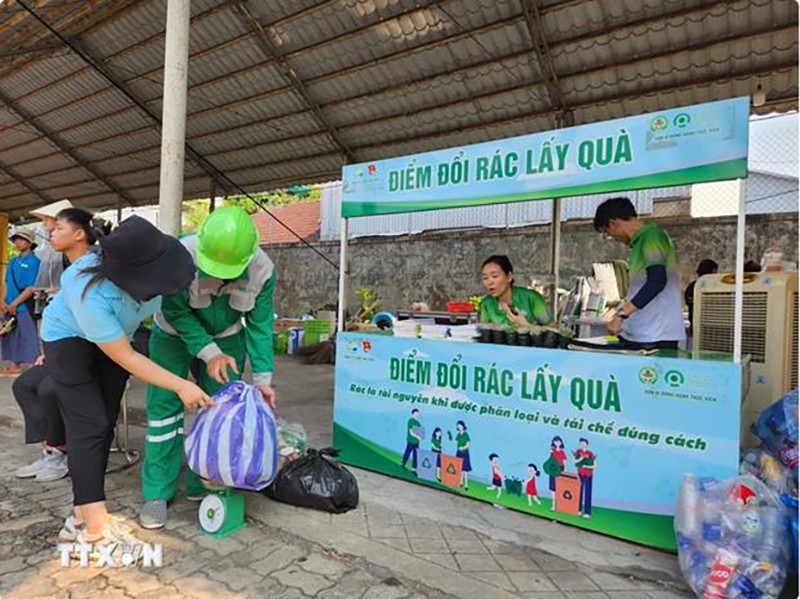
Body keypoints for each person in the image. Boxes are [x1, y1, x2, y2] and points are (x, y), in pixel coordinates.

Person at [41, 214, 208, 551]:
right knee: (88, 425)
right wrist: (181, 385)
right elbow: (126, 357)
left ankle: (80, 516)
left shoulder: (152, 268)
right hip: (68, 340)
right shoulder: (85, 287)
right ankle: (95, 528)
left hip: (116, 337)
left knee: (104, 425)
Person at [139, 206, 277, 529]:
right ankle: (157, 492)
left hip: (228, 339)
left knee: (221, 410)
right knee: (164, 412)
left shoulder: (263, 270)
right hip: (174, 336)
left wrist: (262, 379)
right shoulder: (179, 255)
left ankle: (207, 480)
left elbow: (260, 326)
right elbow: (177, 312)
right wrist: (208, 352)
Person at [12, 208, 104, 482]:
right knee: (24, 384)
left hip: (90, 352)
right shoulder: (64, 265)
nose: (50, 232)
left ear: (79, 234)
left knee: (49, 389)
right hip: (62, 351)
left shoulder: (93, 266)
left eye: (56, 227)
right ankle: (51, 451)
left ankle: (61, 450)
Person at [594, 198, 685, 350]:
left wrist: (621, 315)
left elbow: (656, 281)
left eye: (607, 233)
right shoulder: (639, 242)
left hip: (656, 334)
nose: (613, 239)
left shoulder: (652, 236)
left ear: (613, 223)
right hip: (642, 331)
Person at [1, 227, 42, 376]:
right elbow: (6, 283)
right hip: (9, 305)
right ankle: (14, 365)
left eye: (22, 239)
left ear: (30, 242)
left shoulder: (34, 262)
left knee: (28, 334)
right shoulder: (12, 262)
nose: (18, 242)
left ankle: (35, 366)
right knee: (10, 335)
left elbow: (31, 287)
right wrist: (3, 301)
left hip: (24, 305)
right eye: (16, 239)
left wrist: (15, 304)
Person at [479, 256, 553, 328]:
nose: (489, 282)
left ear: (509, 277)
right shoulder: (487, 304)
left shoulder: (532, 299)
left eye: (494, 276)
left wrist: (527, 326)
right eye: (485, 278)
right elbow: (484, 331)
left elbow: (554, 329)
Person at [684, 259, 718, 337]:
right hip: (712, 331)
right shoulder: (715, 288)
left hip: (694, 329)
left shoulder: (692, 287)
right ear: (713, 271)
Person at [574, 438, 597, 519]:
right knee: (579, 492)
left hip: (588, 475)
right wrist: (580, 459)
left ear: (587, 444)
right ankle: (578, 510)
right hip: (580, 474)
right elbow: (575, 462)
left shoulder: (590, 453)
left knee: (587, 492)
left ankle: (587, 512)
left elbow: (594, 466)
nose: (582, 445)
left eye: (584, 443)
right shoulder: (578, 452)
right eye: (581, 443)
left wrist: (586, 466)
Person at [545, 435, 567, 511]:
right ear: (553, 442)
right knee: (553, 489)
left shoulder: (562, 452)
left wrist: (564, 472)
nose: (557, 443)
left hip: (560, 469)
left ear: (561, 442)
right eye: (555, 441)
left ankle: (560, 505)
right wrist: (550, 453)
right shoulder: (552, 451)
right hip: (553, 469)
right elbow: (547, 461)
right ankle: (553, 505)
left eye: (559, 441)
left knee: (560, 488)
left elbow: (564, 462)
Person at [451, 420, 472, 490]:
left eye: (460, 425)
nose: (459, 427)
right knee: (460, 468)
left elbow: (468, 445)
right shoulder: (458, 434)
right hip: (459, 453)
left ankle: (466, 485)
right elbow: (455, 442)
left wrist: (462, 448)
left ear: (463, 426)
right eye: (458, 426)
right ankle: (460, 482)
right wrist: (451, 438)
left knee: (465, 470)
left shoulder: (466, 434)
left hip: (465, 453)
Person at [401, 408, 423, 475]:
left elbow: (420, 434)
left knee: (415, 455)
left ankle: (414, 469)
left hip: (416, 442)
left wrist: (421, 437)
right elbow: (411, 432)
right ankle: (403, 464)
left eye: (418, 414)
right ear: (412, 414)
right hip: (410, 441)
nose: (417, 415)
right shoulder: (410, 421)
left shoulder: (418, 423)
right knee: (407, 452)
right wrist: (418, 437)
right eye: (415, 414)